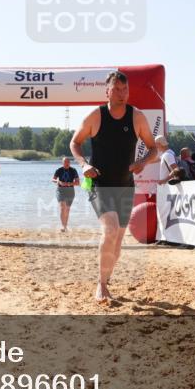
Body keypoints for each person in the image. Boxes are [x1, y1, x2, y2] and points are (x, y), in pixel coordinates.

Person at [71, 71, 158, 303]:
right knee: (109, 229)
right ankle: (100, 285)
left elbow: (153, 148)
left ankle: (106, 280)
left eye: (125, 90)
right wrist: (83, 164)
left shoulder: (137, 117)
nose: (122, 94)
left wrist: (142, 162)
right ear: (107, 91)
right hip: (98, 182)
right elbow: (75, 142)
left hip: (125, 185)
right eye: (117, 90)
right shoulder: (95, 116)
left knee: (118, 240)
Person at [51, 157, 79, 231]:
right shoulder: (59, 170)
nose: (66, 164)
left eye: (68, 162)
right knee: (62, 208)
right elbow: (53, 179)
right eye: (65, 162)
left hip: (70, 191)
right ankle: (63, 226)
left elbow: (78, 182)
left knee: (67, 209)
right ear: (62, 163)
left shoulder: (73, 170)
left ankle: (65, 226)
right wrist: (58, 181)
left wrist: (69, 183)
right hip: (60, 191)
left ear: (70, 163)